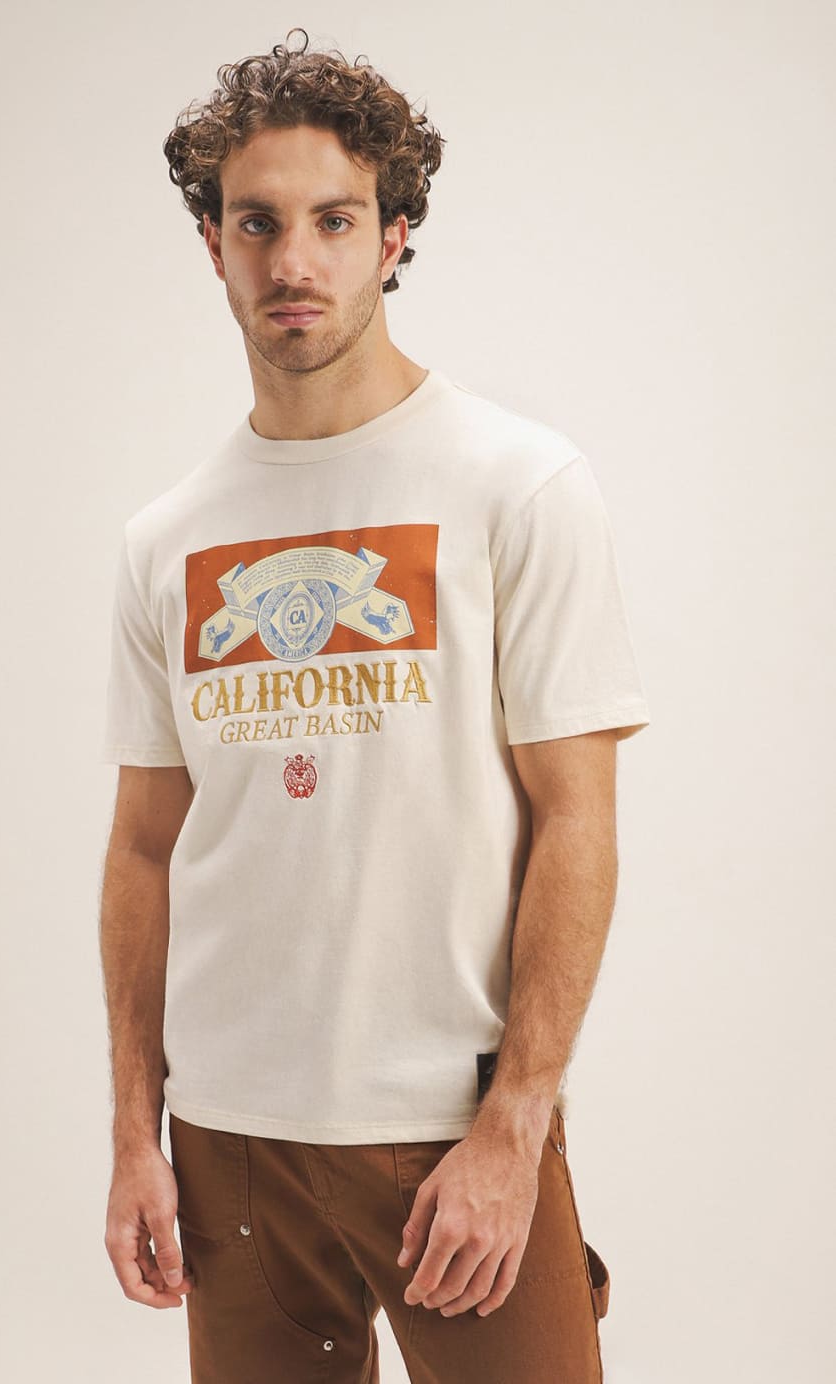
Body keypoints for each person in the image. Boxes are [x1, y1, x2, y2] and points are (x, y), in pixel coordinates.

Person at [98, 27, 651, 1384]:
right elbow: (145, 850)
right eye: (258, 223)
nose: (294, 262)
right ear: (214, 245)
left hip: (450, 1132)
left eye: (335, 221)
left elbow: (576, 822)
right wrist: (133, 1136)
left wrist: (515, 1124)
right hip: (228, 1145)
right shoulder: (166, 539)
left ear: (395, 235)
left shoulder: (518, 485)